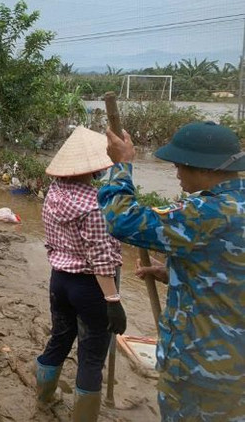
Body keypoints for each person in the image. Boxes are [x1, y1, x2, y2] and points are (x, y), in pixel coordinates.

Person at [98, 121, 245, 422]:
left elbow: (122, 220)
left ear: (202, 168)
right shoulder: (236, 206)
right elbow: (230, 269)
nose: (176, 173)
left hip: (201, 370)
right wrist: (175, 272)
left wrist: (121, 165)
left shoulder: (205, 211)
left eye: (179, 165)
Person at [35, 126, 126, 421]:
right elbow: (101, 259)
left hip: (60, 279)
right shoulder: (95, 205)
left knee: (59, 338)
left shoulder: (54, 193)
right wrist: (113, 300)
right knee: (91, 355)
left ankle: (44, 397)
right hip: (90, 287)